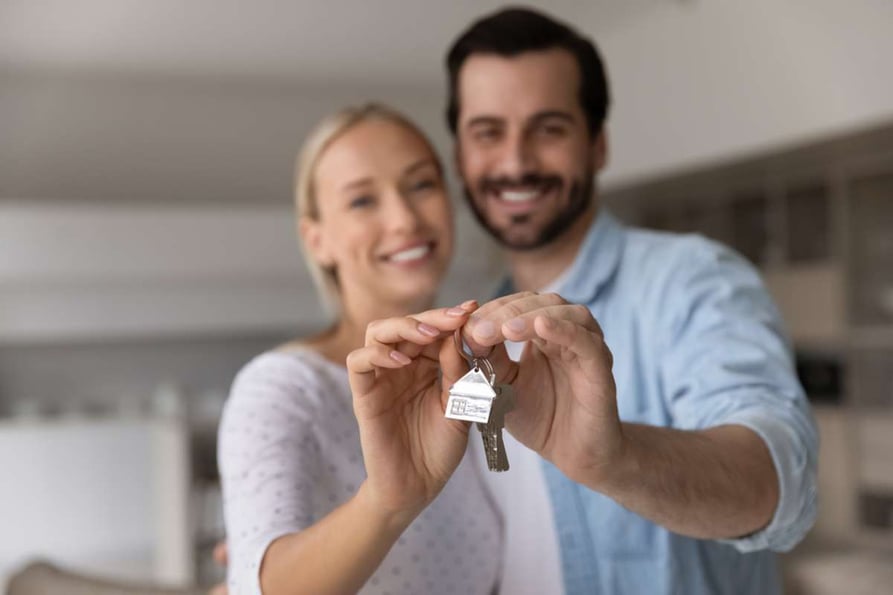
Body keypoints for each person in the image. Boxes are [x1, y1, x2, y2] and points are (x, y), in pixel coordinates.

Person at [440, 7, 819, 595]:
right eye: (488, 132)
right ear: (462, 154)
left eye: (549, 128)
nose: (515, 161)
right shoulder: (473, 332)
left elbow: (776, 474)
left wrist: (617, 459)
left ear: (597, 145)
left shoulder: (692, 278)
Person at [216, 104, 502, 595]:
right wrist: (387, 503)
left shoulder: (476, 376)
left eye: (421, 185)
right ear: (318, 239)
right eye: (362, 201)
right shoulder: (281, 388)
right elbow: (256, 588)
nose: (404, 219)